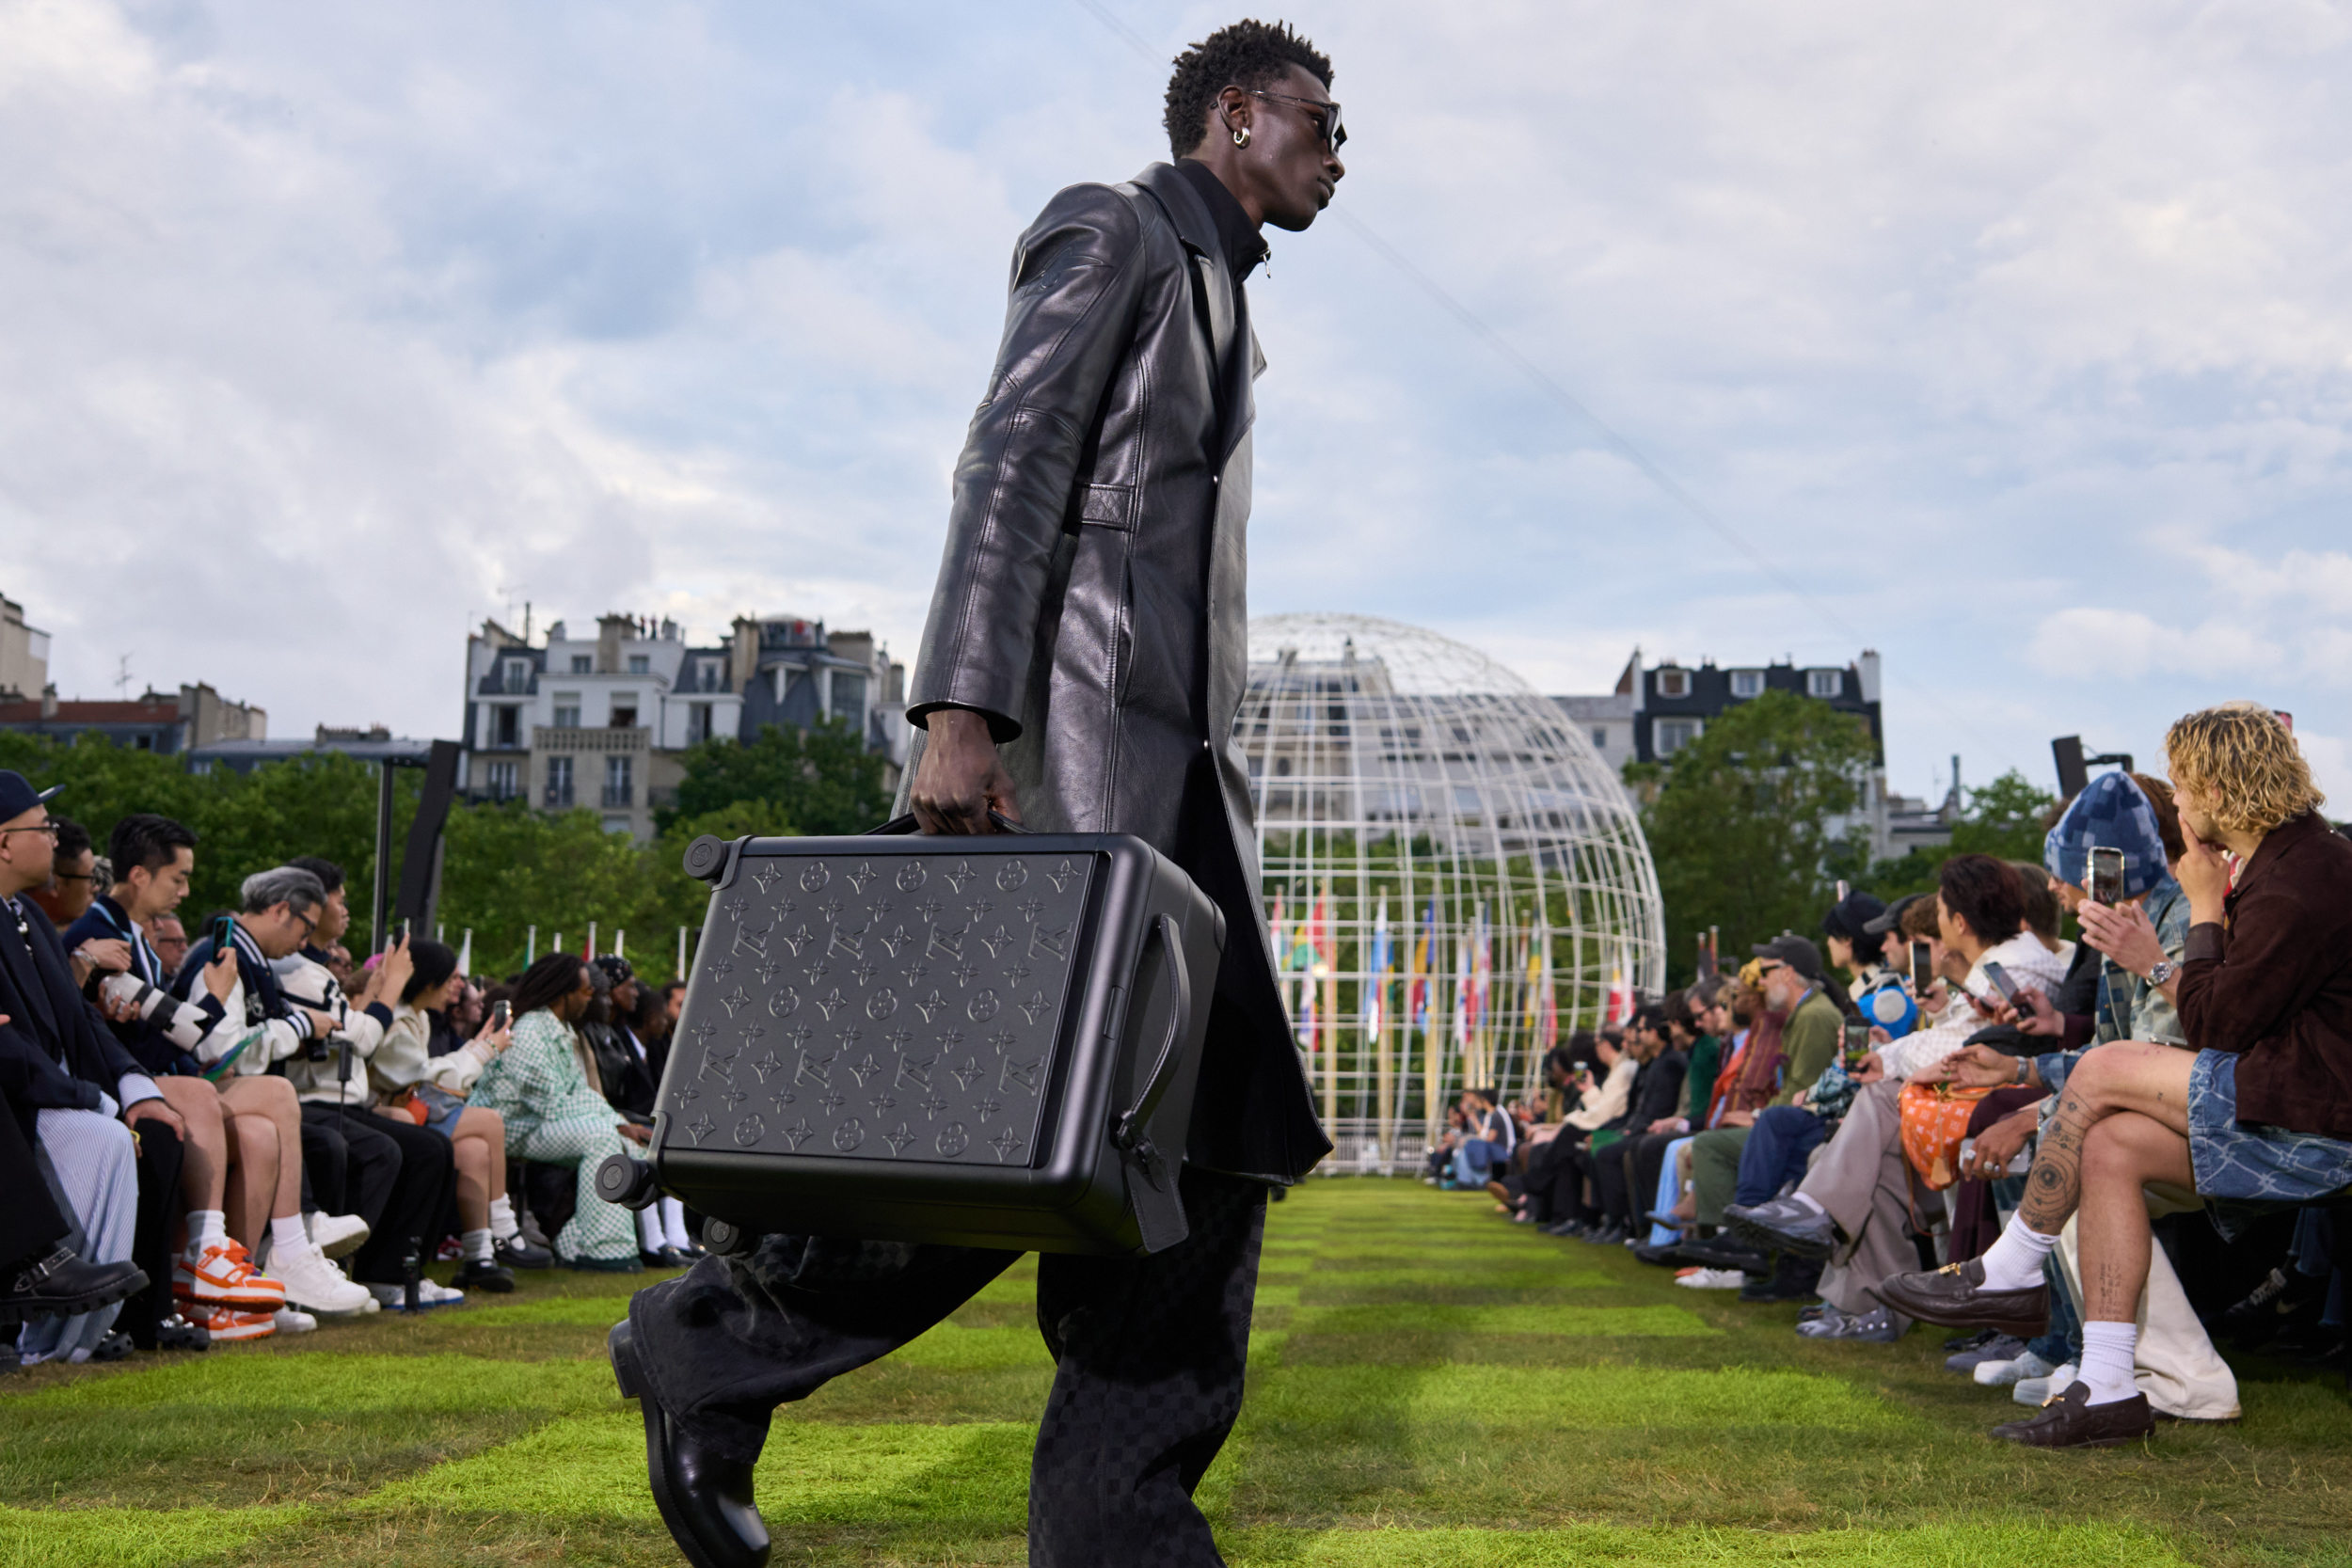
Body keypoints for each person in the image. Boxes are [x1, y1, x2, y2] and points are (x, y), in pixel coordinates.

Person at [613, 23, 1345, 1567]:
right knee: (1004, 1152)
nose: (1337, 152)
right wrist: (961, 716)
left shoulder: (1228, 305)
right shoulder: (1114, 226)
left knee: (1204, 1166)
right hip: (1064, 775)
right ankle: (714, 1342)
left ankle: (1119, 1527)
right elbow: (1007, 470)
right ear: (1237, 115)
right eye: (1317, 121)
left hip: (1182, 799)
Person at [1875, 703, 2352, 1448]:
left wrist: (2197, 911)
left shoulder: (2305, 874)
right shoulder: (2277, 863)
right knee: (2106, 1150)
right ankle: (2109, 1385)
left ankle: (2011, 1265)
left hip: (2312, 1114)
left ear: (2220, 788)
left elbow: (2219, 1025)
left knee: (2101, 1071)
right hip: (2275, 1093)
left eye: (2187, 786)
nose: (2181, 802)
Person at [68, 814, 359, 1342]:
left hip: (154, 1075)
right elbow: (187, 1032)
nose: (185, 891)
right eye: (177, 878)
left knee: (261, 1129)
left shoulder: (128, 933)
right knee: (269, 1091)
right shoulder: (100, 932)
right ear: (139, 875)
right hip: (127, 1085)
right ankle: (253, 1251)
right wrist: (214, 990)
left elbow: (166, 1034)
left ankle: (238, 1279)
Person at [173, 867, 423, 1315]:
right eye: (306, 927)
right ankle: (292, 1244)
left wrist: (298, 1027)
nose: (307, 942)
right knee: (278, 1095)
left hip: (214, 1096)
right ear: (280, 910)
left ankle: (244, 1282)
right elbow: (219, 1049)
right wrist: (300, 1025)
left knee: (263, 1132)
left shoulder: (252, 961)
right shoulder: (225, 956)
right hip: (194, 1091)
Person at [467, 953, 647, 1272]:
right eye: (587, 989)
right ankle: (602, 1252)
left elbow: (578, 1092)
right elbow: (552, 1102)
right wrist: (616, 1127)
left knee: (634, 1151)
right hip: (507, 1126)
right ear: (563, 991)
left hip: (536, 1122)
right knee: (600, 1138)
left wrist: (623, 1124)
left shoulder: (559, 1028)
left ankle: (575, 1242)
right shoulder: (529, 1031)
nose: (590, 996)